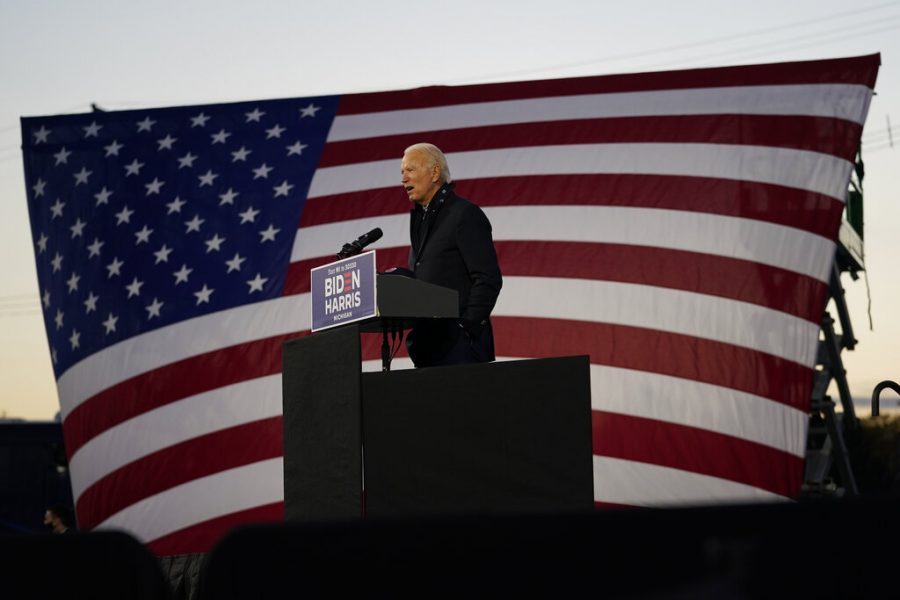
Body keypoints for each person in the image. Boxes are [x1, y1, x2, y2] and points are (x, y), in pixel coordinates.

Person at [400, 143, 502, 367]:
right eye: (402, 172)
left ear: (434, 172)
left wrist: (465, 328)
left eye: (410, 170)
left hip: (460, 350)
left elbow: (488, 279)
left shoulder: (464, 215)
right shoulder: (421, 222)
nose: (403, 178)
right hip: (429, 349)